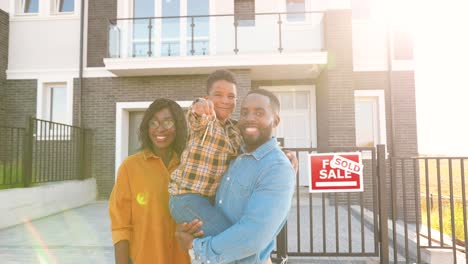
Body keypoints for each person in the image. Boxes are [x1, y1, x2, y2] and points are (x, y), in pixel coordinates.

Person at [176, 89, 296, 264]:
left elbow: (253, 235)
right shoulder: (235, 155)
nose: (250, 118)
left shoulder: (277, 168)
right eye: (245, 112)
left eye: (259, 113)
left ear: (275, 121)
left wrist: (196, 248)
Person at [108, 98, 190, 264]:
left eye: (167, 122)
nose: (159, 129)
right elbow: (121, 227)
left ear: (178, 127)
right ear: (147, 128)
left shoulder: (189, 166)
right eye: (153, 123)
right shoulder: (129, 167)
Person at [168, 69, 243, 236]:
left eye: (231, 96)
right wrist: (199, 105)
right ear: (208, 99)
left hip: (212, 202)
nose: (225, 100)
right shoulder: (206, 120)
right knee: (230, 236)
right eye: (218, 95)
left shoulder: (235, 130)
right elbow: (196, 115)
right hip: (186, 199)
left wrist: (284, 154)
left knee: (234, 239)